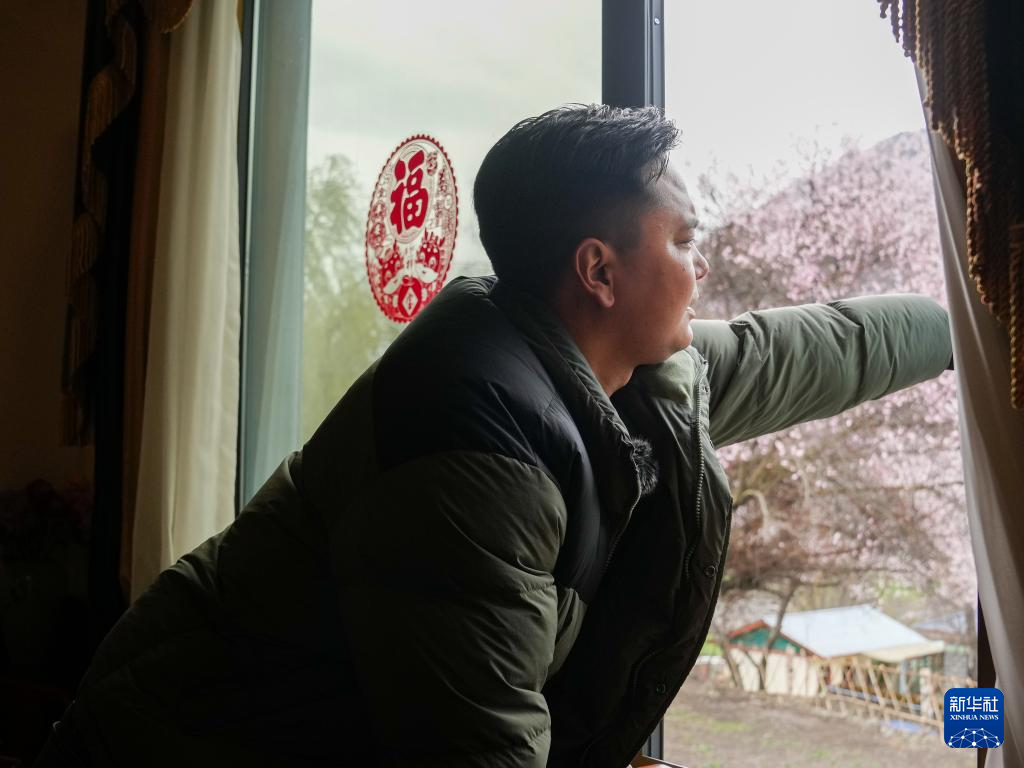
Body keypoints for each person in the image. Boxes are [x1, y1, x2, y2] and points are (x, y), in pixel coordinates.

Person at [39, 104, 953, 768]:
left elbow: (802, 351)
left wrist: (974, 330)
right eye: (681, 241)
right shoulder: (473, 456)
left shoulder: (607, 363)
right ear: (598, 271)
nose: (702, 263)